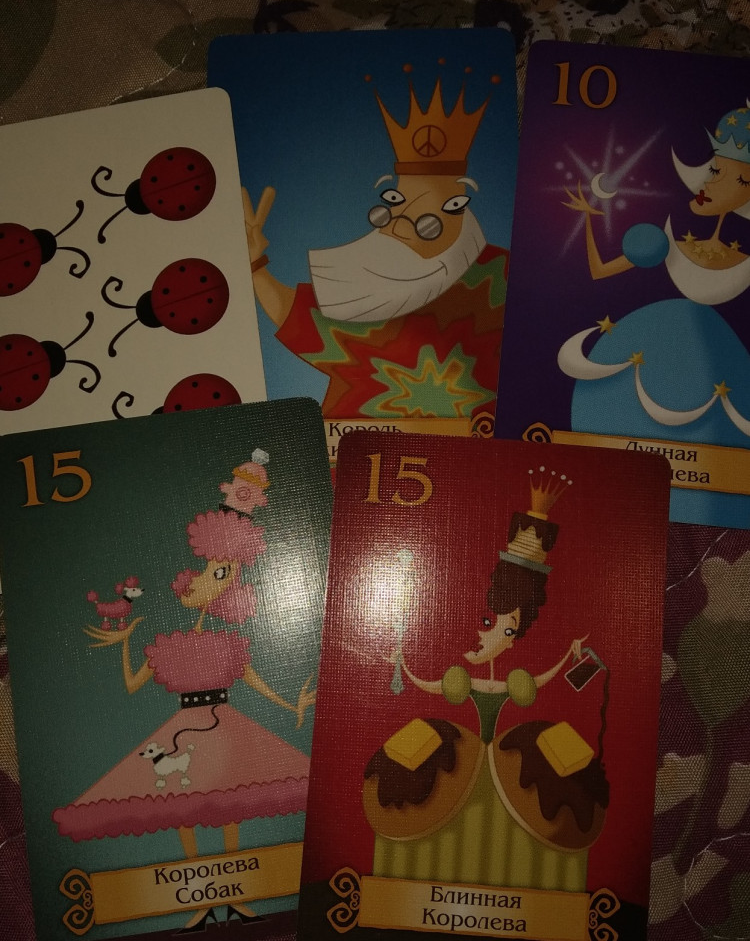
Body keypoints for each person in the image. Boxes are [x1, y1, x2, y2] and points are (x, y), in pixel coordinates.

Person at [55, 457, 315, 931]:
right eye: (211, 568)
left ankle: (237, 896)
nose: (211, 578)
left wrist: (290, 705)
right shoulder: (168, 643)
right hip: (183, 733)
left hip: (228, 729)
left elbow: (255, 679)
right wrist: (125, 641)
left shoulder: (230, 642)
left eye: (224, 574)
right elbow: (133, 684)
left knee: (233, 806)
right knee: (183, 811)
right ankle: (198, 902)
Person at [363, 469, 608, 892]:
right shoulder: (462, 672)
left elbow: (541, 678)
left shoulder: (513, 676)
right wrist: (403, 664)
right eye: (489, 623)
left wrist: (570, 654)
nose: (490, 636)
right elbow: (429, 683)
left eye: (506, 629)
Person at [244, 67, 508, 423]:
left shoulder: (499, 277)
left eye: (426, 218)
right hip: (353, 451)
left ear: (457, 208)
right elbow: (296, 316)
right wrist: (254, 264)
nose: (398, 224)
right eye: (394, 205)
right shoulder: (369, 292)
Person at [559, 105, 750, 523]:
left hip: (717, 378)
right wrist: (589, 220)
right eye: (715, 171)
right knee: (605, 479)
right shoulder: (665, 236)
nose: (712, 183)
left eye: (737, 179)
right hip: (638, 353)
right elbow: (600, 270)